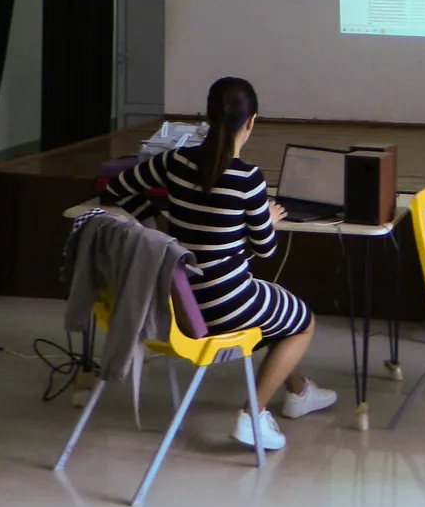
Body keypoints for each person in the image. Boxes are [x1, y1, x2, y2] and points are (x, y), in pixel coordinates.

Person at [99, 76, 335, 450]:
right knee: (303, 321)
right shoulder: (248, 179)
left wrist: (159, 224)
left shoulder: (174, 161)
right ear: (251, 121)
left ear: (207, 117)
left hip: (179, 301)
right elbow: (265, 250)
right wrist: (268, 221)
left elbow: (116, 189)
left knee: (278, 312)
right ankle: (253, 414)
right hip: (226, 305)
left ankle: (299, 391)